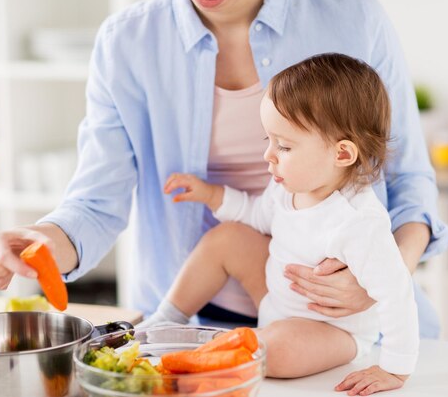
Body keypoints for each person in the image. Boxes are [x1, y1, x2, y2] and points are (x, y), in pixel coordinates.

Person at [0, 0, 448, 337]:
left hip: (350, 323)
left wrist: (382, 277)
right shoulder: (128, 43)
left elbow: (409, 178)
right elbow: (96, 205)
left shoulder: (348, 10)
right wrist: (42, 242)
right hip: (189, 328)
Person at [140, 53, 418, 395]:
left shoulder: (358, 221)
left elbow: (396, 294)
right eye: (268, 140)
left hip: (331, 330)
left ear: (342, 154)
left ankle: (208, 358)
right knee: (227, 237)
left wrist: (395, 367)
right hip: (276, 300)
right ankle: (165, 320)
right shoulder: (289, 186)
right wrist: (213, 195)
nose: (268, 155)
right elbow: (258, 215)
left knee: (277, 352)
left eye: (284, 146)